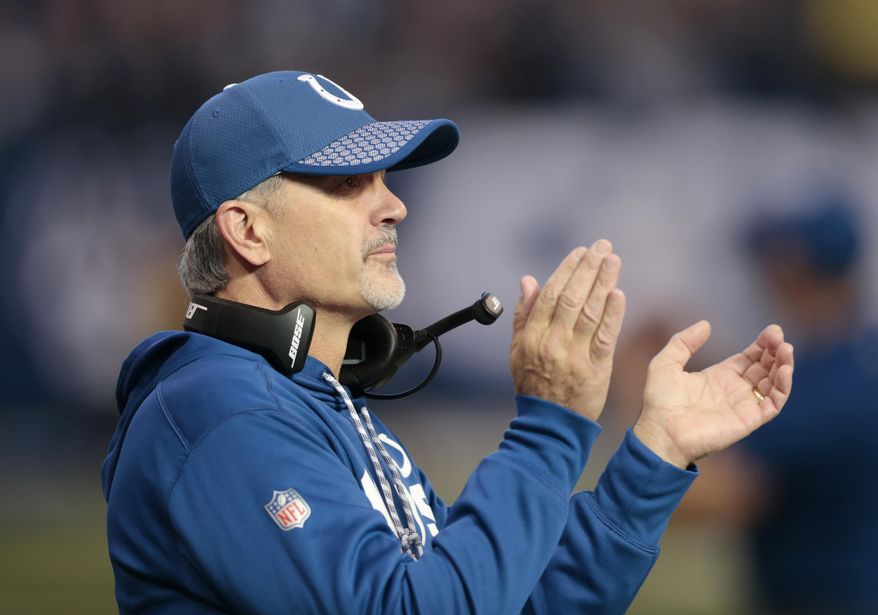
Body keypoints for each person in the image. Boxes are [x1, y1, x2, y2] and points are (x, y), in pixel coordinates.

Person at [101, 70, 794, 614]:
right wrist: (549, 429)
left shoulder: (317, 401)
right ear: (247, 230)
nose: (393, 204)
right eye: (347, 183)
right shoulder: (222, 411)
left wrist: (655, 454)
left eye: (383, 177)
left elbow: (515, 601)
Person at [681, 200, 878, 614]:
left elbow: (710, 499)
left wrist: (644, 405)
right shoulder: (857, 358)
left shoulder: (818, 387)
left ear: (793, 267)